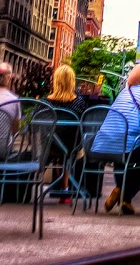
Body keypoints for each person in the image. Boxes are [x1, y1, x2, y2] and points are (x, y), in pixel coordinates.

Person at [93, 62, 140, 214]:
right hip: (130, 144)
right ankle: (124, 192)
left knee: (122, 159)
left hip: (105, 144)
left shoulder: (124, 92)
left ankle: (125, 200)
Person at [45, 63, 88, 201]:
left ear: (55, 81)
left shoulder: (46, 103)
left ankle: (63, 188)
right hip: (73, 147)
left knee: (58, 150)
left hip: (48, 146)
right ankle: (65, 188)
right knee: (65, 152)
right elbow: (84, 127)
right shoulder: (79, 103)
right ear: (72, 82)